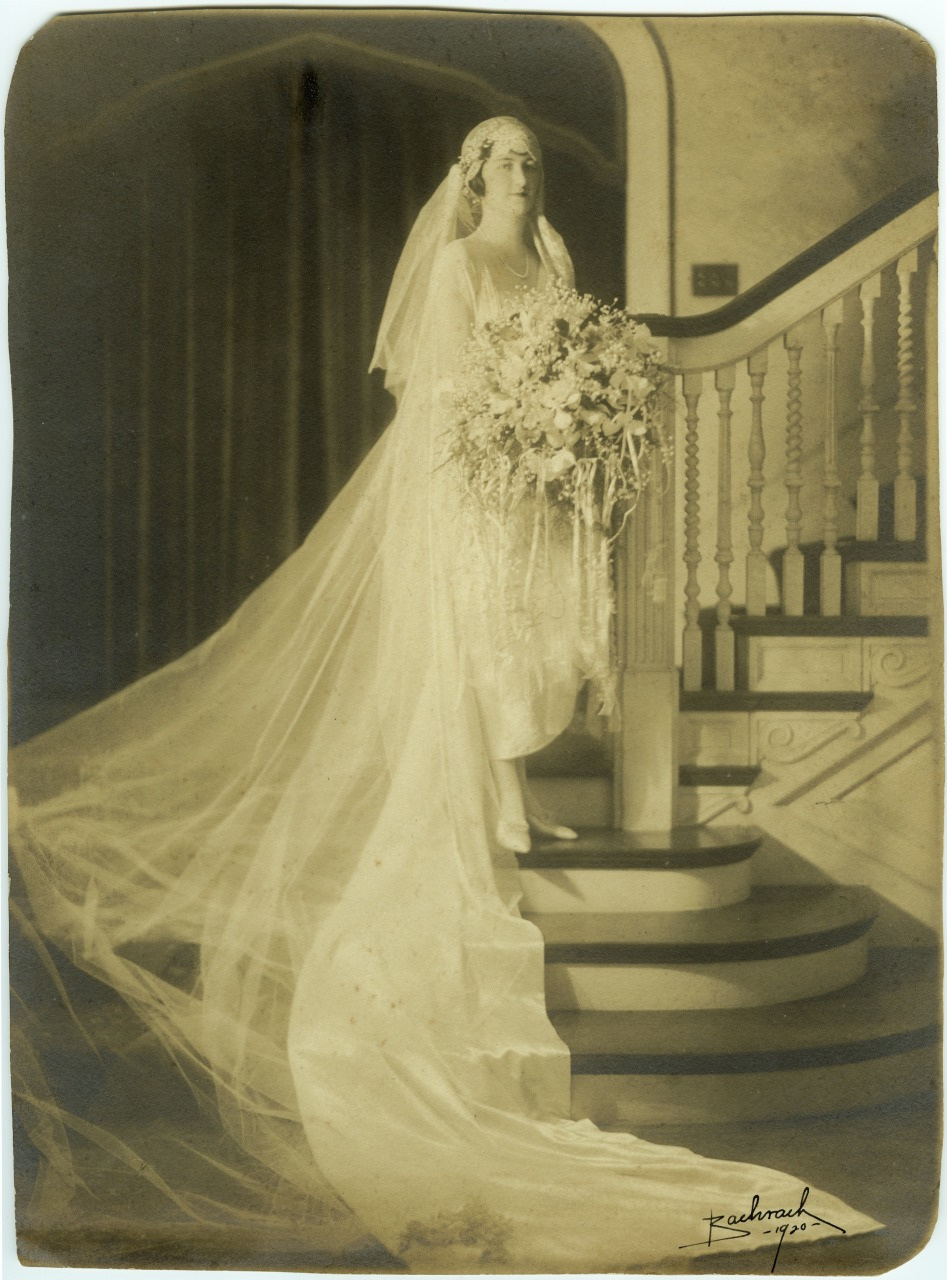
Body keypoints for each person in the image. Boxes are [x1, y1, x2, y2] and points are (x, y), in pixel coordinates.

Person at [10, 117, 882, 1272]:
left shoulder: (553, 253)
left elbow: (561, 351)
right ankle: (490, 805)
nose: (520, 175)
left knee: (531, 653)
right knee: (477, 653)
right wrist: (521, 428)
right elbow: (443, 395)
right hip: (470, 495)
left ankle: (513, 785)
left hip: (532, 491)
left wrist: (575, 419)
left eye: (529, 161)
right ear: (469, 179)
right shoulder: (457, 263)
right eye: (502, 162)